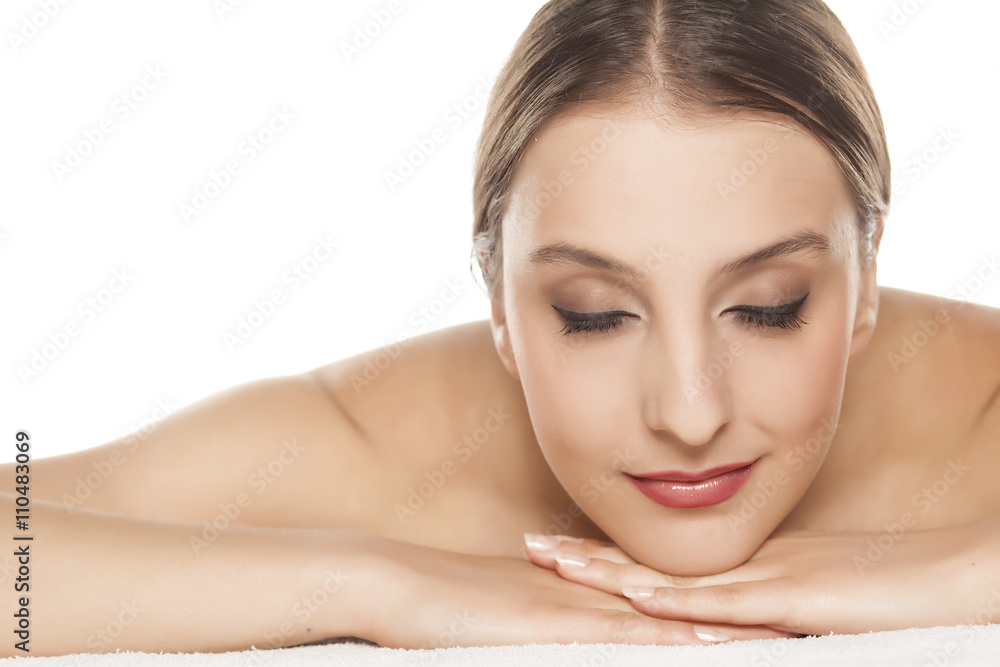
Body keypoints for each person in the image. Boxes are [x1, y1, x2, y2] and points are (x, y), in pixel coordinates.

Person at [3, 0, 998, 657]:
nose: (689, 412)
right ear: (500, 307)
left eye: (768, 306)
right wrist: (373, 585)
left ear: (865, 280)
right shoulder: (386, 447)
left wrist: (957, 571)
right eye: (593, 316)